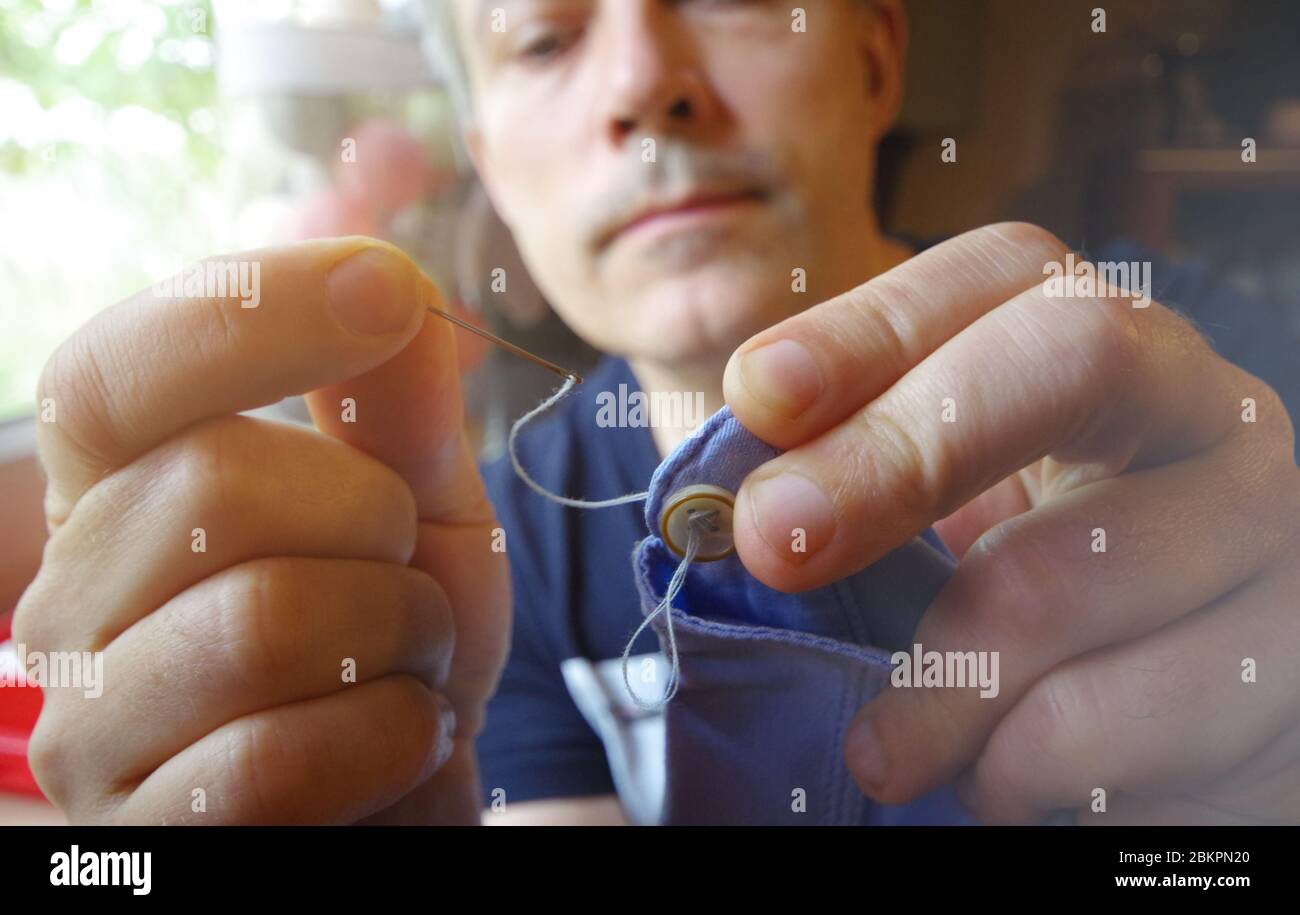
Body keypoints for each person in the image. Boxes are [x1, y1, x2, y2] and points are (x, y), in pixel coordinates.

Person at [12, 0, 1299, 825]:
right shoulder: (479, 564)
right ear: (492, 166)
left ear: (873, 55)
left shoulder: (1211, 388)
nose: (645, 84)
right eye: (542, 38)